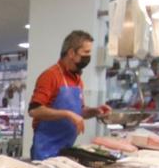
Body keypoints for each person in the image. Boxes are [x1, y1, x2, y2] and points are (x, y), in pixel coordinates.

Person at [27, 30, 111, 160]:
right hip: (44, 151)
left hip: (66, 149)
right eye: (86, 52)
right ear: (72, 53)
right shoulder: (50, 76)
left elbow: (79, 112)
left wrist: (95, 111)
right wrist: (67, 114)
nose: (88, 57)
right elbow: (34, 110)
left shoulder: (77, 80)